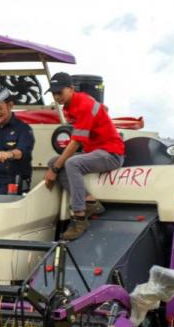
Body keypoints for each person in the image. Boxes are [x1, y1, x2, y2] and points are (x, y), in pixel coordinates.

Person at [44, 72, 124, 240]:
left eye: (60, 92)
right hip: (94, 151)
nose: (57, 96)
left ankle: (79, 217)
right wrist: (55, 165)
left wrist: (56, 169)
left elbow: (75, 143)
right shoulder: (70, 105)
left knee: (70, 163)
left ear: (72, 89)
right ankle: (90, 201)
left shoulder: (84, 105)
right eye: (54, 93)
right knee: (53, 161)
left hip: (111, 154)